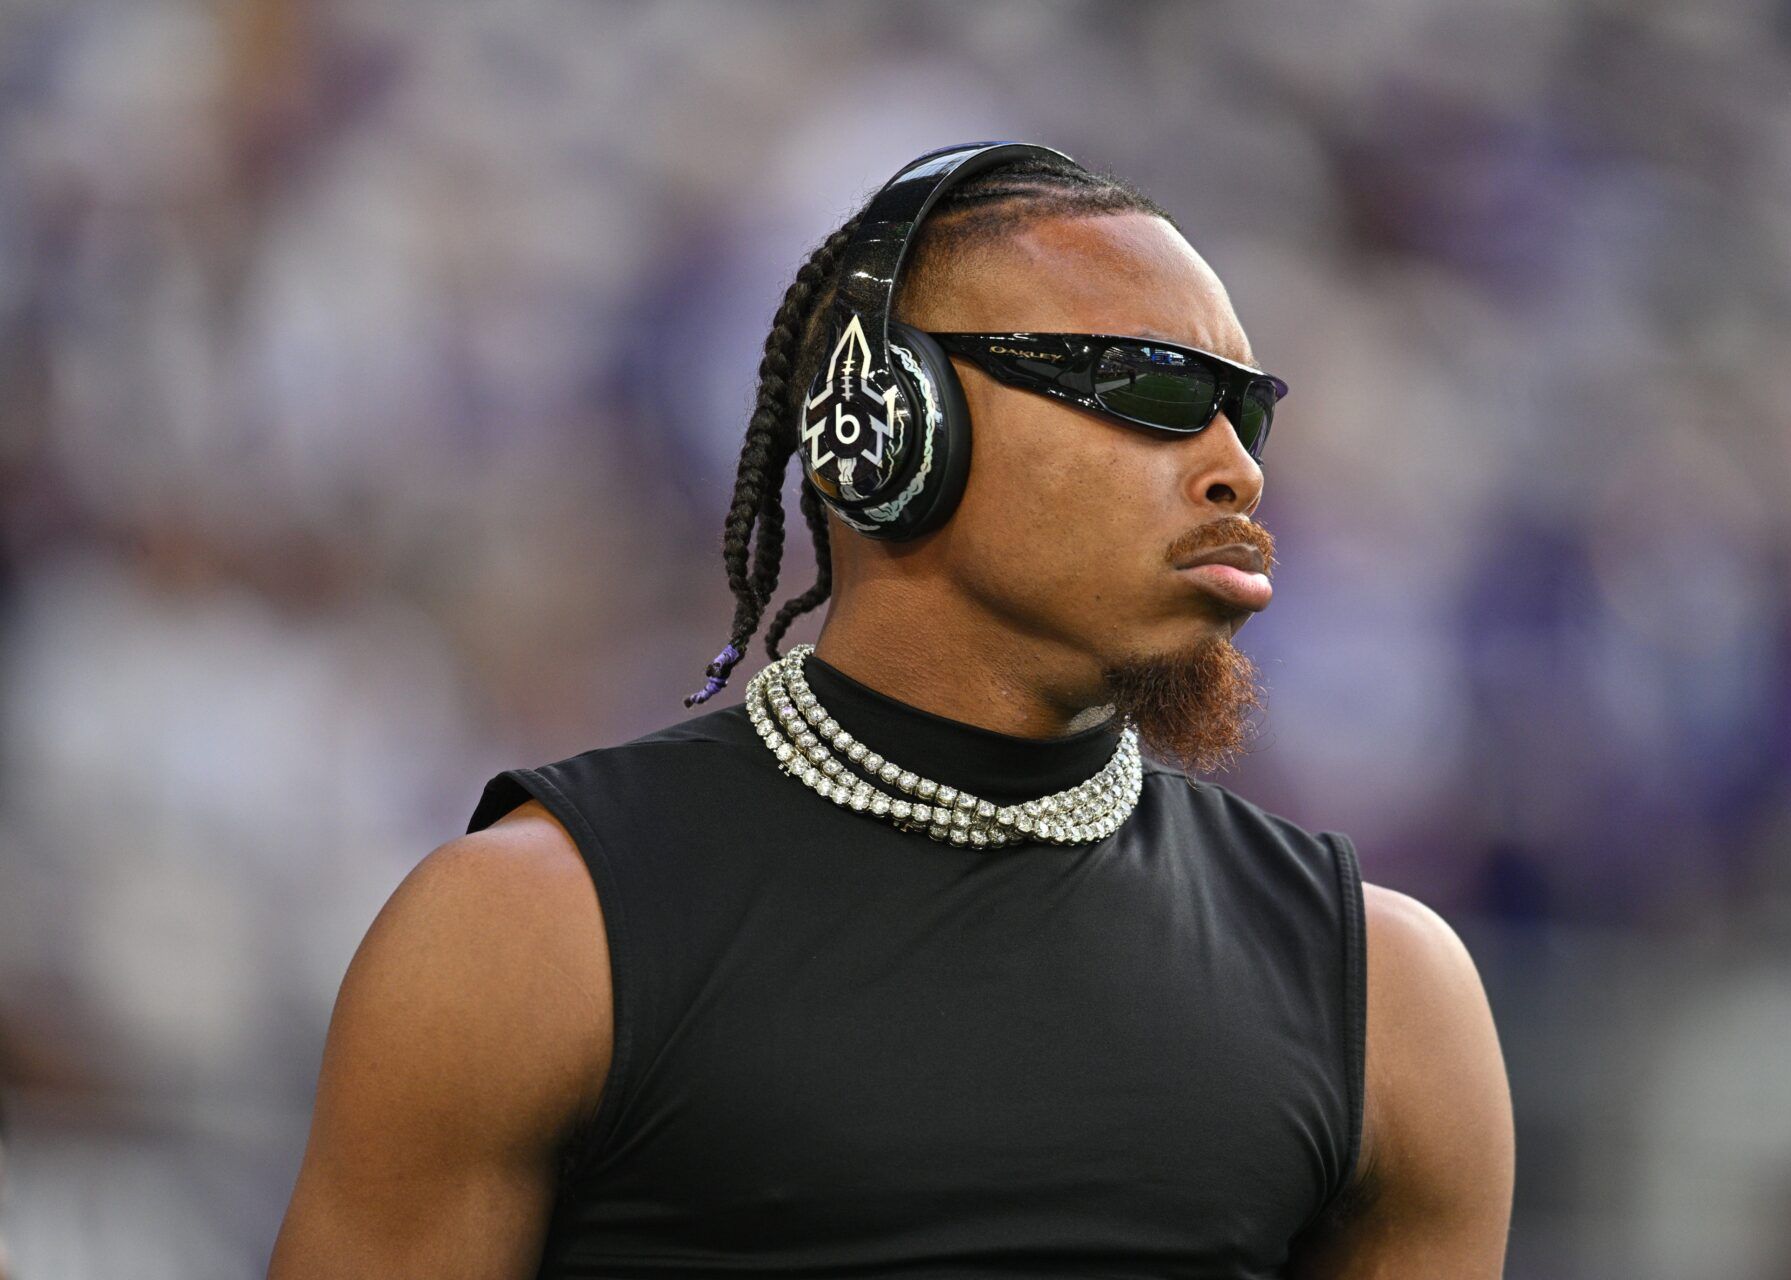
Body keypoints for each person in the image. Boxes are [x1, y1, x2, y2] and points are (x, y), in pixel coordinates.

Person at [270, 143, 1514, 1278]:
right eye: (1147, 385)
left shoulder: (1388, 997)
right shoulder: (530, 930)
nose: (1236, 464)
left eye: (1246, 408)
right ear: (888, 422)